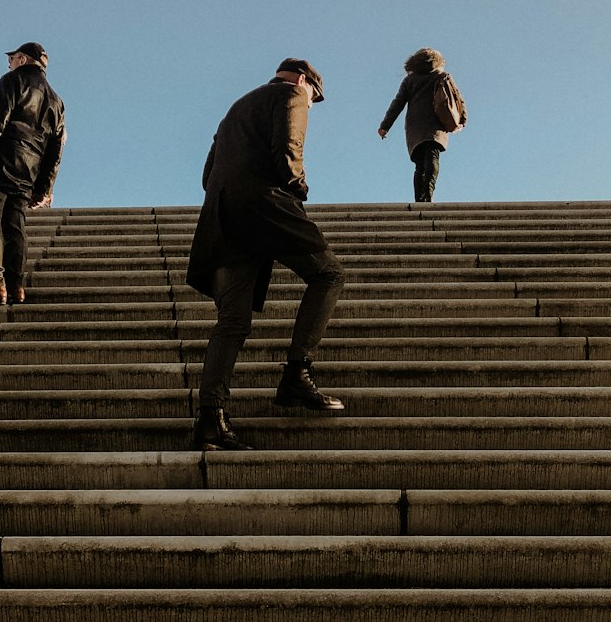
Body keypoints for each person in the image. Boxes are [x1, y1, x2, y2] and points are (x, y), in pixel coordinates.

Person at [186, 57, 347, 452]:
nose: (311, 104)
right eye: (315, 97)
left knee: (233, 322)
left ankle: (211, 418)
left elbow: (207, 174)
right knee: (329, 274)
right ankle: (297, 373)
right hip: (265, 203)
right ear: (305, 81)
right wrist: (297, 189)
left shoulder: (236, 109)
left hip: (224, 215)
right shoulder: (291, 94)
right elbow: (289, 147)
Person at [0, 42, 66, 306]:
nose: (9, 65)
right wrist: (45, 188)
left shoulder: (12, 81)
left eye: (11, 60)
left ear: (21, 59)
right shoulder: (56, 100)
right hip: (28, 171)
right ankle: (16, 286)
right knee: (15, 227)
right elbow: (56, 148)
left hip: (0, 163)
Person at [378, 47, 467, 202]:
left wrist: (385, 125)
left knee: (419, 164)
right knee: (433, 156)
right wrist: (462, 120)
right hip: (436, 122)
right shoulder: (442, 76)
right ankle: (429, 191)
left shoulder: (409, 80)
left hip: (415, 125)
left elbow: (397, 103)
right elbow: (457, 99)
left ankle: (419, 199)